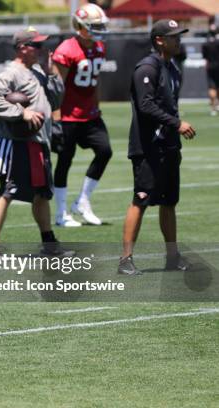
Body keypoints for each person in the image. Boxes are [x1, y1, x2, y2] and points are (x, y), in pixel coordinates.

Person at [0, 27, 68, 256]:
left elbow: (57, 100)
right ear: (22, 48)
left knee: (41, 193)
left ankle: (49, 243)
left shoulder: (39, 71)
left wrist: (51, 72)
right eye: (37, 45)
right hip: (16, 142)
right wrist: (21, 113)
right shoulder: (11, 73)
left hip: (38, 142)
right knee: (7, 190)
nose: (42, 49)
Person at [118, 19, 195, 275]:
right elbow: (146, 106)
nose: (178, 40)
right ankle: (125, 260)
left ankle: (173, 256)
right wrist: (177, 124)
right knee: (140, 200)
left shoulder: (173, 68)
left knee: (169, 202)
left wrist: (174, 130)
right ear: (159, 40)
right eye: (173, 36)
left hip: (169, 146)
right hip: (148, 147)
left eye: (179, 35)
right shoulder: (147, 68)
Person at [51, 3, 113, 227]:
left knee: (105, 151)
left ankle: (83, 201)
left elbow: (94, 83)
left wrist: (96, 107)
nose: (99, 29)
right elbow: (56, 87)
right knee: (64, 162)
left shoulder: (99, 48)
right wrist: (55, 119)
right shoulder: (66, 49)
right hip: (67, 116)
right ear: (81, 26)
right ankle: (61, 213)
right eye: (94, 25)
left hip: (90, 114)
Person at [202, 20, 219, 116]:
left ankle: (213, 107)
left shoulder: (206, 43)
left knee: (211, 87)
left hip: (211, 67)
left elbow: (205, 59)